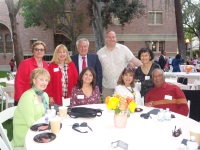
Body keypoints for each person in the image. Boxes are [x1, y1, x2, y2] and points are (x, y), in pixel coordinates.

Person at [97, 31, 142, 100]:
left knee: (123, 107)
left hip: (122, 87)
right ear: (106, 39)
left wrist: (147, 67)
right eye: (109, 37)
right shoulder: (100, 53)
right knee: (107, 108)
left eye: (113, 37)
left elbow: (135, 60)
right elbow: (97, 70)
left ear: (116, 39)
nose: (111, 39)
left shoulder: (123, 49)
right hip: (107, 88)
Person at [12, 68, 50, 147]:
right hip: (26, 136)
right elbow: (31, 124)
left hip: (39, 130)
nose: (44, 83)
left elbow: (46, 115)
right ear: (34, 80)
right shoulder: (28, 96)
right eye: (41, 79)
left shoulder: (45, 96)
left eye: (46, 80)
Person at [14, 41, 48, 106]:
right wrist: (21, 99)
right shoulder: (25, 63)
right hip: (25, 99)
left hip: (39, 99)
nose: (39, 51)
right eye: (36, 49)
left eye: (41, 49)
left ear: (44, 52)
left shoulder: (46, 65)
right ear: (33, 51)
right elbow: (18, 82)